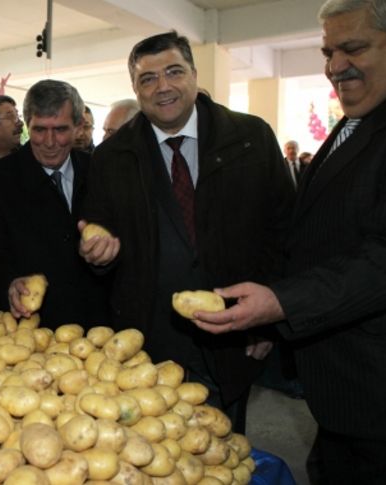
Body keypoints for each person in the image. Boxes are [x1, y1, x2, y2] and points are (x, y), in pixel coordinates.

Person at [192, 0, 386, 482]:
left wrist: (282, 302)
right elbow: (318, 234)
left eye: (352, 48)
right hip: (346, 391)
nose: (335, 67)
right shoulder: (367, 112)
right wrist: (273, 313)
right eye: (327, 52)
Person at [79, 31, 294, 433]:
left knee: (225, 449)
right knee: (159, 450)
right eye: (148, 79)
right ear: (135, 90)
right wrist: (98, 253)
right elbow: (97, 231)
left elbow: (283, 232)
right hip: (149, 343)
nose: (163, 87)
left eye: (174, 72)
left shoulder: (250, 139)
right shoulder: (112, 157)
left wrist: (269, 318)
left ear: (194, 74)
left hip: (234, 327)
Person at [0, 80, 109, 328]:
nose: (50, 141)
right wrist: (8, 285)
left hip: (100, 325)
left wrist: (111, 251)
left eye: (61, 129)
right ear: (27, 126)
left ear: (78, 127)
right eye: (40, 130)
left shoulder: (99, 172)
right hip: (31, 331)